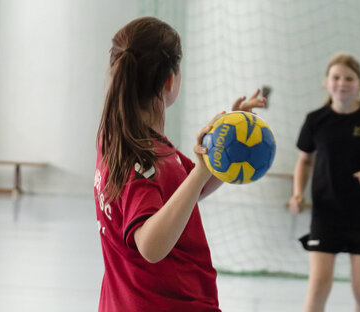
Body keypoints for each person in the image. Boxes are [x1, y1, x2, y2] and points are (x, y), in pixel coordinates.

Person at [94, 17, 265, 312]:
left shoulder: (118, 140)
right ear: (170, 80)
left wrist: (226, 147)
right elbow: (150, 245)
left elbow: (185, 193)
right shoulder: (144, 159)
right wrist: (199, 171)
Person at [288, 53, 360, 312]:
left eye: (349, 78)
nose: (342, 83)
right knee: (318, 286)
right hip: (326, 214)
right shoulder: (316, 120)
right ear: (327, 83)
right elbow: (304, 161)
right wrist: (297, 194)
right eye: (336, 77)